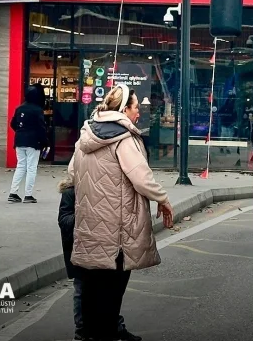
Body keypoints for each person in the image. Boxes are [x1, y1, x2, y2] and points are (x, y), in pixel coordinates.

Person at [68, 83, 174, 341]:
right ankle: (107, 333)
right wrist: (163, 199)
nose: (139, 113)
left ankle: (91, 333)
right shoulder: (125, 138)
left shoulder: (86, 134)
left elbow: (72, 174)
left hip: (90, 225)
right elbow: (141, 178)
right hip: (118, 228)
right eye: (136, 108)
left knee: (92, 287)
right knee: (113, 288)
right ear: (124, 109)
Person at [58, 176, 139, 341]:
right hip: (80, 250)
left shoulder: (106, 190)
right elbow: (64, 220)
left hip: (105, 248)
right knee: (82, 289)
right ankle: (82, 331)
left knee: (110, 291)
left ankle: (115, 326)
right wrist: (86, 214)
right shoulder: (71, 191)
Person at [8, 84, 49, 203]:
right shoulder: (37, 110)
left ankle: (13, 192)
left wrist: (21, 132)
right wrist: (45, 141)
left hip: (19, 140)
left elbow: (13, 124)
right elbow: (41, 128)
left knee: (20, 166)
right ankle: (28, 194)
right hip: (33, 141)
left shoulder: (19, 108)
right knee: (31, 167)